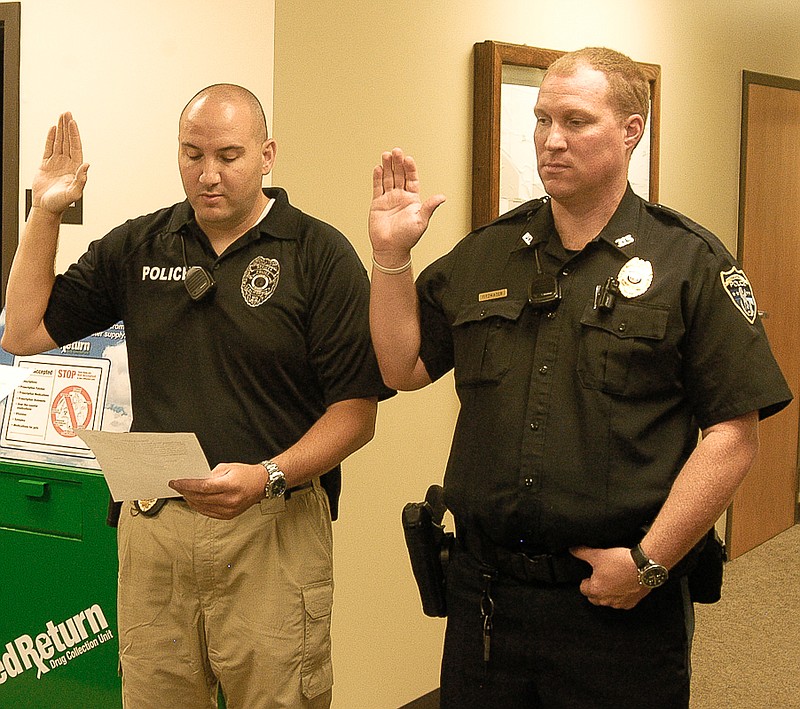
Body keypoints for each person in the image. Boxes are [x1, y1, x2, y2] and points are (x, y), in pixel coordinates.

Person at [368, 47, 792, 708]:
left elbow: (733, 436)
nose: (551, 140)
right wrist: (390, 257)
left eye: (575, 120)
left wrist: (649, 563)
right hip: (488, 600)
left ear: (631, 130)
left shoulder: (689, 262)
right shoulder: (487, 253)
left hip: (617, 601)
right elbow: (403, 365)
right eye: (541, 120)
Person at [3, 84, 391, 709]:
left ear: (268, 155)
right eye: (192, 155)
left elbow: (356, 414)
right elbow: (23, 331)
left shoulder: (320, 255)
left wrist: (269, 474)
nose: (208, 175)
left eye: (229, 157)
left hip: (272, 523)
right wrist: (45, 212)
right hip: (156, 522)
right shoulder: (139, 246)